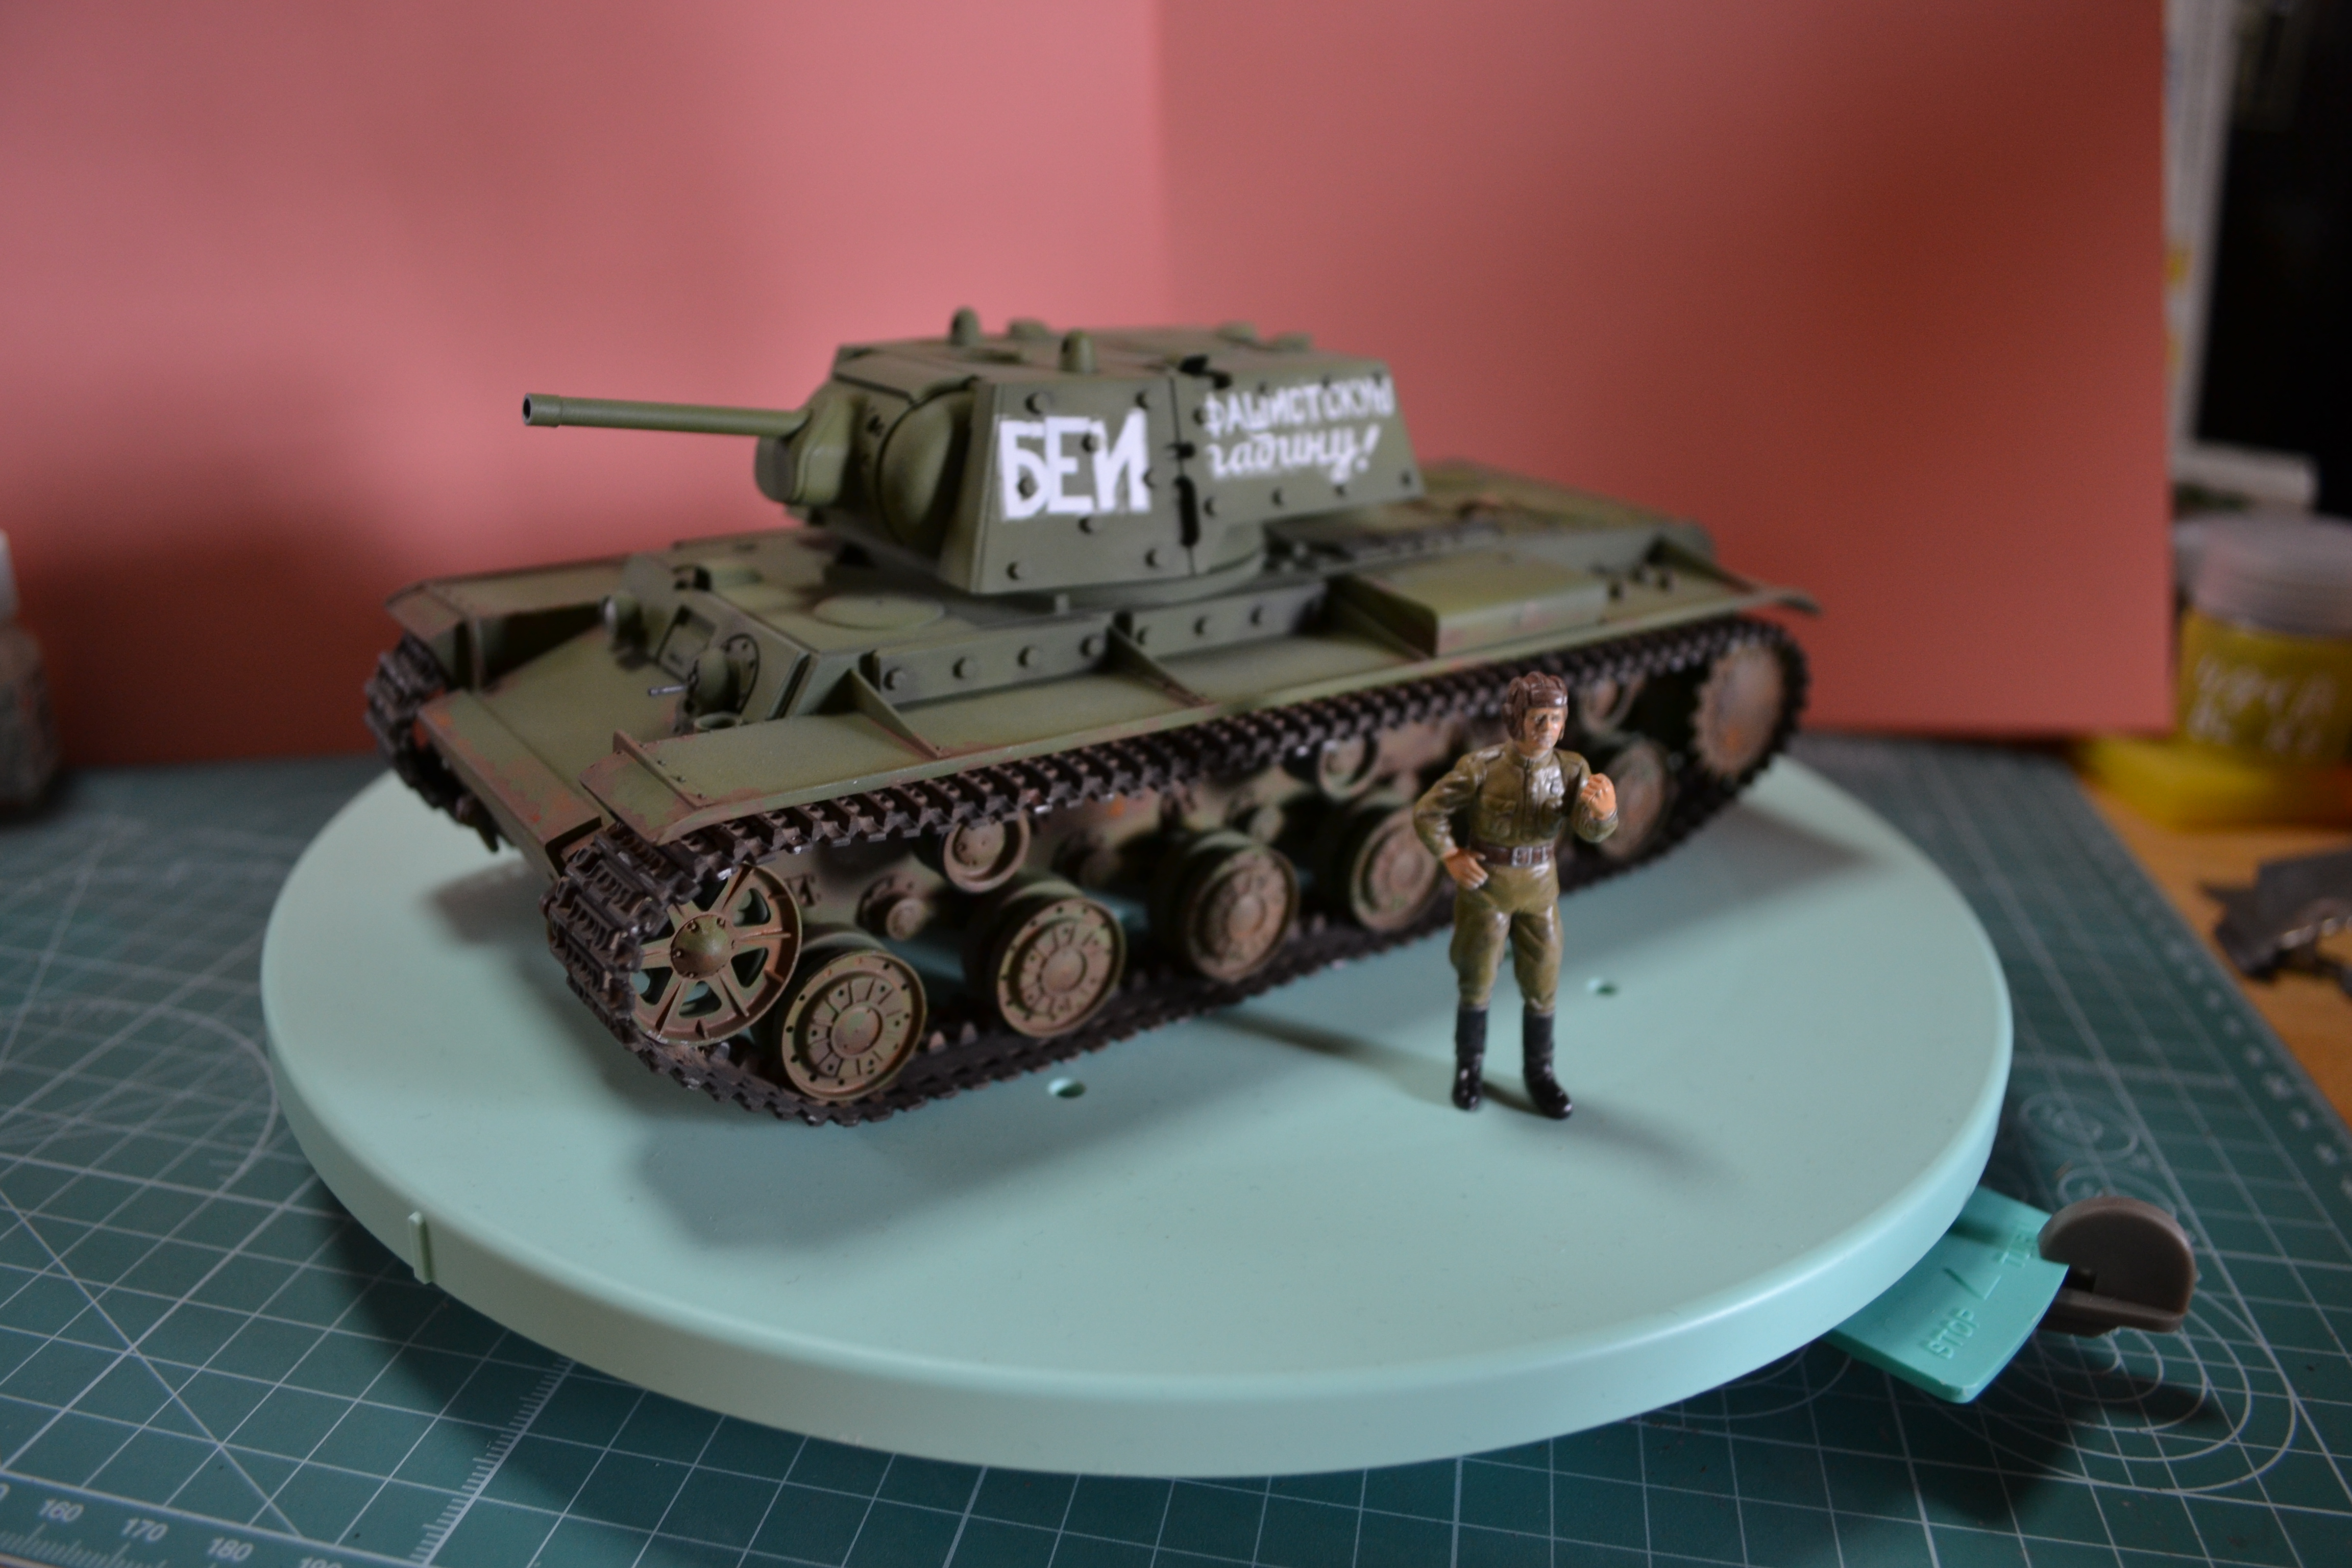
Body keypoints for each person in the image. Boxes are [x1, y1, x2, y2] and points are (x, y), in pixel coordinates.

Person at [1412, 672, 1618, 1116]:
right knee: (1476, 979)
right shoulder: (1483, 768)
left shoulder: (1571, 770)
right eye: (1538, 718)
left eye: (1556, 719)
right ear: (1516, 720)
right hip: (1487, 888)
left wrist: (1605, 815)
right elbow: (1428, 811)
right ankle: (1469, 1068)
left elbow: (1588, 830)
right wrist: (1450, 855)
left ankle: (1540, 1072)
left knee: (1543, 982)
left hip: (1540, 889)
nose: (1547, 728)